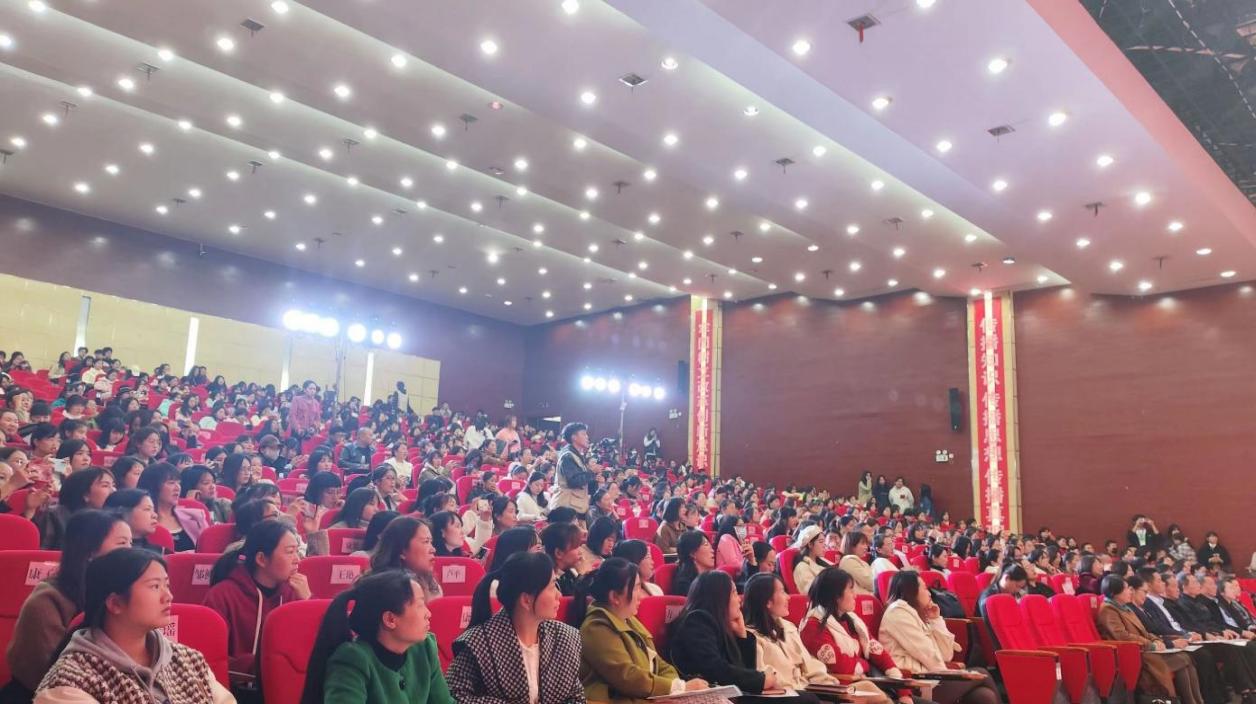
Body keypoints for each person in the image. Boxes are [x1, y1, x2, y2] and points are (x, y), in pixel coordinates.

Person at [33, 548, 234, 704]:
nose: (168, 596)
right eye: (155, 586)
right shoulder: (69, 684)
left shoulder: (188, 659)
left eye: (167, 585)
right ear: (115, 603)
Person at [6, 510, 133, 696]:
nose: (131, 552)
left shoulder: (124, 594)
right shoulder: (47, 601)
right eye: (122, 543)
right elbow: (50, 675)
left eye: (131, 543)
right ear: (90, 551)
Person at [445, 552, 587, 703]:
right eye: (552, 587)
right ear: (526, 600)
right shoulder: (479, 644)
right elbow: (453, 695)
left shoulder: (565, 637)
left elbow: (576, 696)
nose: (559, 595)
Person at [300, 570, 453, 704]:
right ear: (390, 619)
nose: (428, 613)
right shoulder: (352, 659)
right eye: (420, 605)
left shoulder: (425, 648)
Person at [667, 570, 819, 703]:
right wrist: (760, 680)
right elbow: (714, 668)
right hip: (710, 694)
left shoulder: (719, 622)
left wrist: (742, 635)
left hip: (731, 692)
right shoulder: (698, 620)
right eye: (734, 593)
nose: (739, 599)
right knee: (805, 700)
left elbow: (743, 667)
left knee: (806, 697)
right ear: (719, 597)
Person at [569, 557, 707, 702]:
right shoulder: (596, 628)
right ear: (615, 596)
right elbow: (627, 677)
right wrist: (677, 688)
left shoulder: (628, 618)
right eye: (635, 588)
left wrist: (673, 690)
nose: (640, 595)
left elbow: (659, 664)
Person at [204, 520, 311, 693]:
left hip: (286, 689)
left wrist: (308, 602)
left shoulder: (294, 593)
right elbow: (209, 659)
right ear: (261, 559)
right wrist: (263, 665)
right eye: (290, 552)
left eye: (297, 551)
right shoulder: (222, 595)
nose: (297, 559)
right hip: (235, 692)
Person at [742, 573, 876, 699]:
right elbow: (764, 680)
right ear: (768, 601)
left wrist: (830, 685)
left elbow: (810, 664)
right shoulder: (751, 638)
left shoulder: (788, 628)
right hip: (790, 697)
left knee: (868, 688)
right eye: (782, 592)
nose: (788, 597)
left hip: (812, 690)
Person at [878, 571, 998, 704]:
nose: (929, 593)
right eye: (924, 588)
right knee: (982, 673)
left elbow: (946, 655)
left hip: (931, 677)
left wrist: (936, 620)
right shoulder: (898, 613)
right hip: (915, 683)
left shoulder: (917, 613)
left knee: (984, 696)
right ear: (911, 591)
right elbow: (926, 653)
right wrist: (949, 675)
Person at [1097, 574, 1204, 704]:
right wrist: (1151, 645)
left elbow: (1144, 632)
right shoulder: (1108, 609)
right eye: (1126, 588)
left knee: (1186, 658)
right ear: (1114, 592)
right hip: (1134, 654)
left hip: (1145, 649)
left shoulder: (1125, 608)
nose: (1130, 591)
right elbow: (1122, 636)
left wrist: (1157, 641)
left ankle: (1197, 701)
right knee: (1183, 660)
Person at [36, 467, 115, 549]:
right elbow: (43, 552)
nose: (113, 491)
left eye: (113, 485)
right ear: (85, 494)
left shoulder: (113, 518)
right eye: (105, 485)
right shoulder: (55, 515)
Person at [138, 462, 207, 552]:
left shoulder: (194, 517)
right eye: (171, 483)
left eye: (179, 483)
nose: (177, 488)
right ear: (153, 486)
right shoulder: (140, 522)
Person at [368, 516, 443, 598]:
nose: (433, 549)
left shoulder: (431, 583)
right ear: (402, 550)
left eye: (431, 542)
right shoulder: (385, 588)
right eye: (426, 541)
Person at [553, 422, 596, 516]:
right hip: (566, 509)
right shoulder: (568, 456)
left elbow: (584, 484)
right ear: (574, 437)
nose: (587, 437)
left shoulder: (577, 456)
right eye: (583, 434)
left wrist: (595, 478)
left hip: (575, 507)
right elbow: (573, 481)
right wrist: (591, 472)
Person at [105, 488, 163, 554]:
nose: (155, 515)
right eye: (147, 509)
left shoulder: (157, 551)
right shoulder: (107, 550)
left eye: (153, 510)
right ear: (122, 512)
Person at [542, 521, 585, 596]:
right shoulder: (550, 583)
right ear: (559, 553)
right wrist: (582, 574)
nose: (580, 552)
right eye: (576, 547)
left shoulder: (569, 572)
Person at [671, 530, 715, 597]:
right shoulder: (684, 585)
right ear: (692, 553)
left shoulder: (712, 577)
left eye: (710, 545)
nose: (712, 550)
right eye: (706, 545)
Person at [791, 524, 830, 597]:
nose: (824, 545)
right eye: (821, 542)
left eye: (824, 542)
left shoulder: (823, 562)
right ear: (810, 544)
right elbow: (812, 592)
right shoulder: (802, 567)